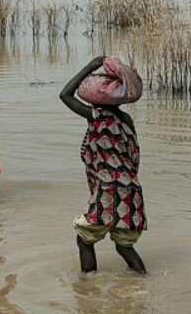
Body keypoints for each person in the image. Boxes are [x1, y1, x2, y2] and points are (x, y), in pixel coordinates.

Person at [59, 56, 147, 274]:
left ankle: (88, 289)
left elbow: (65, 95)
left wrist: (89, 66)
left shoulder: (96, 117)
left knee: (84, 239)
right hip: (131, 189)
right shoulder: (126, 120)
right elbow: (134, 157)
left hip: (109, 188)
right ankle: (142, 280)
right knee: (124, 247)